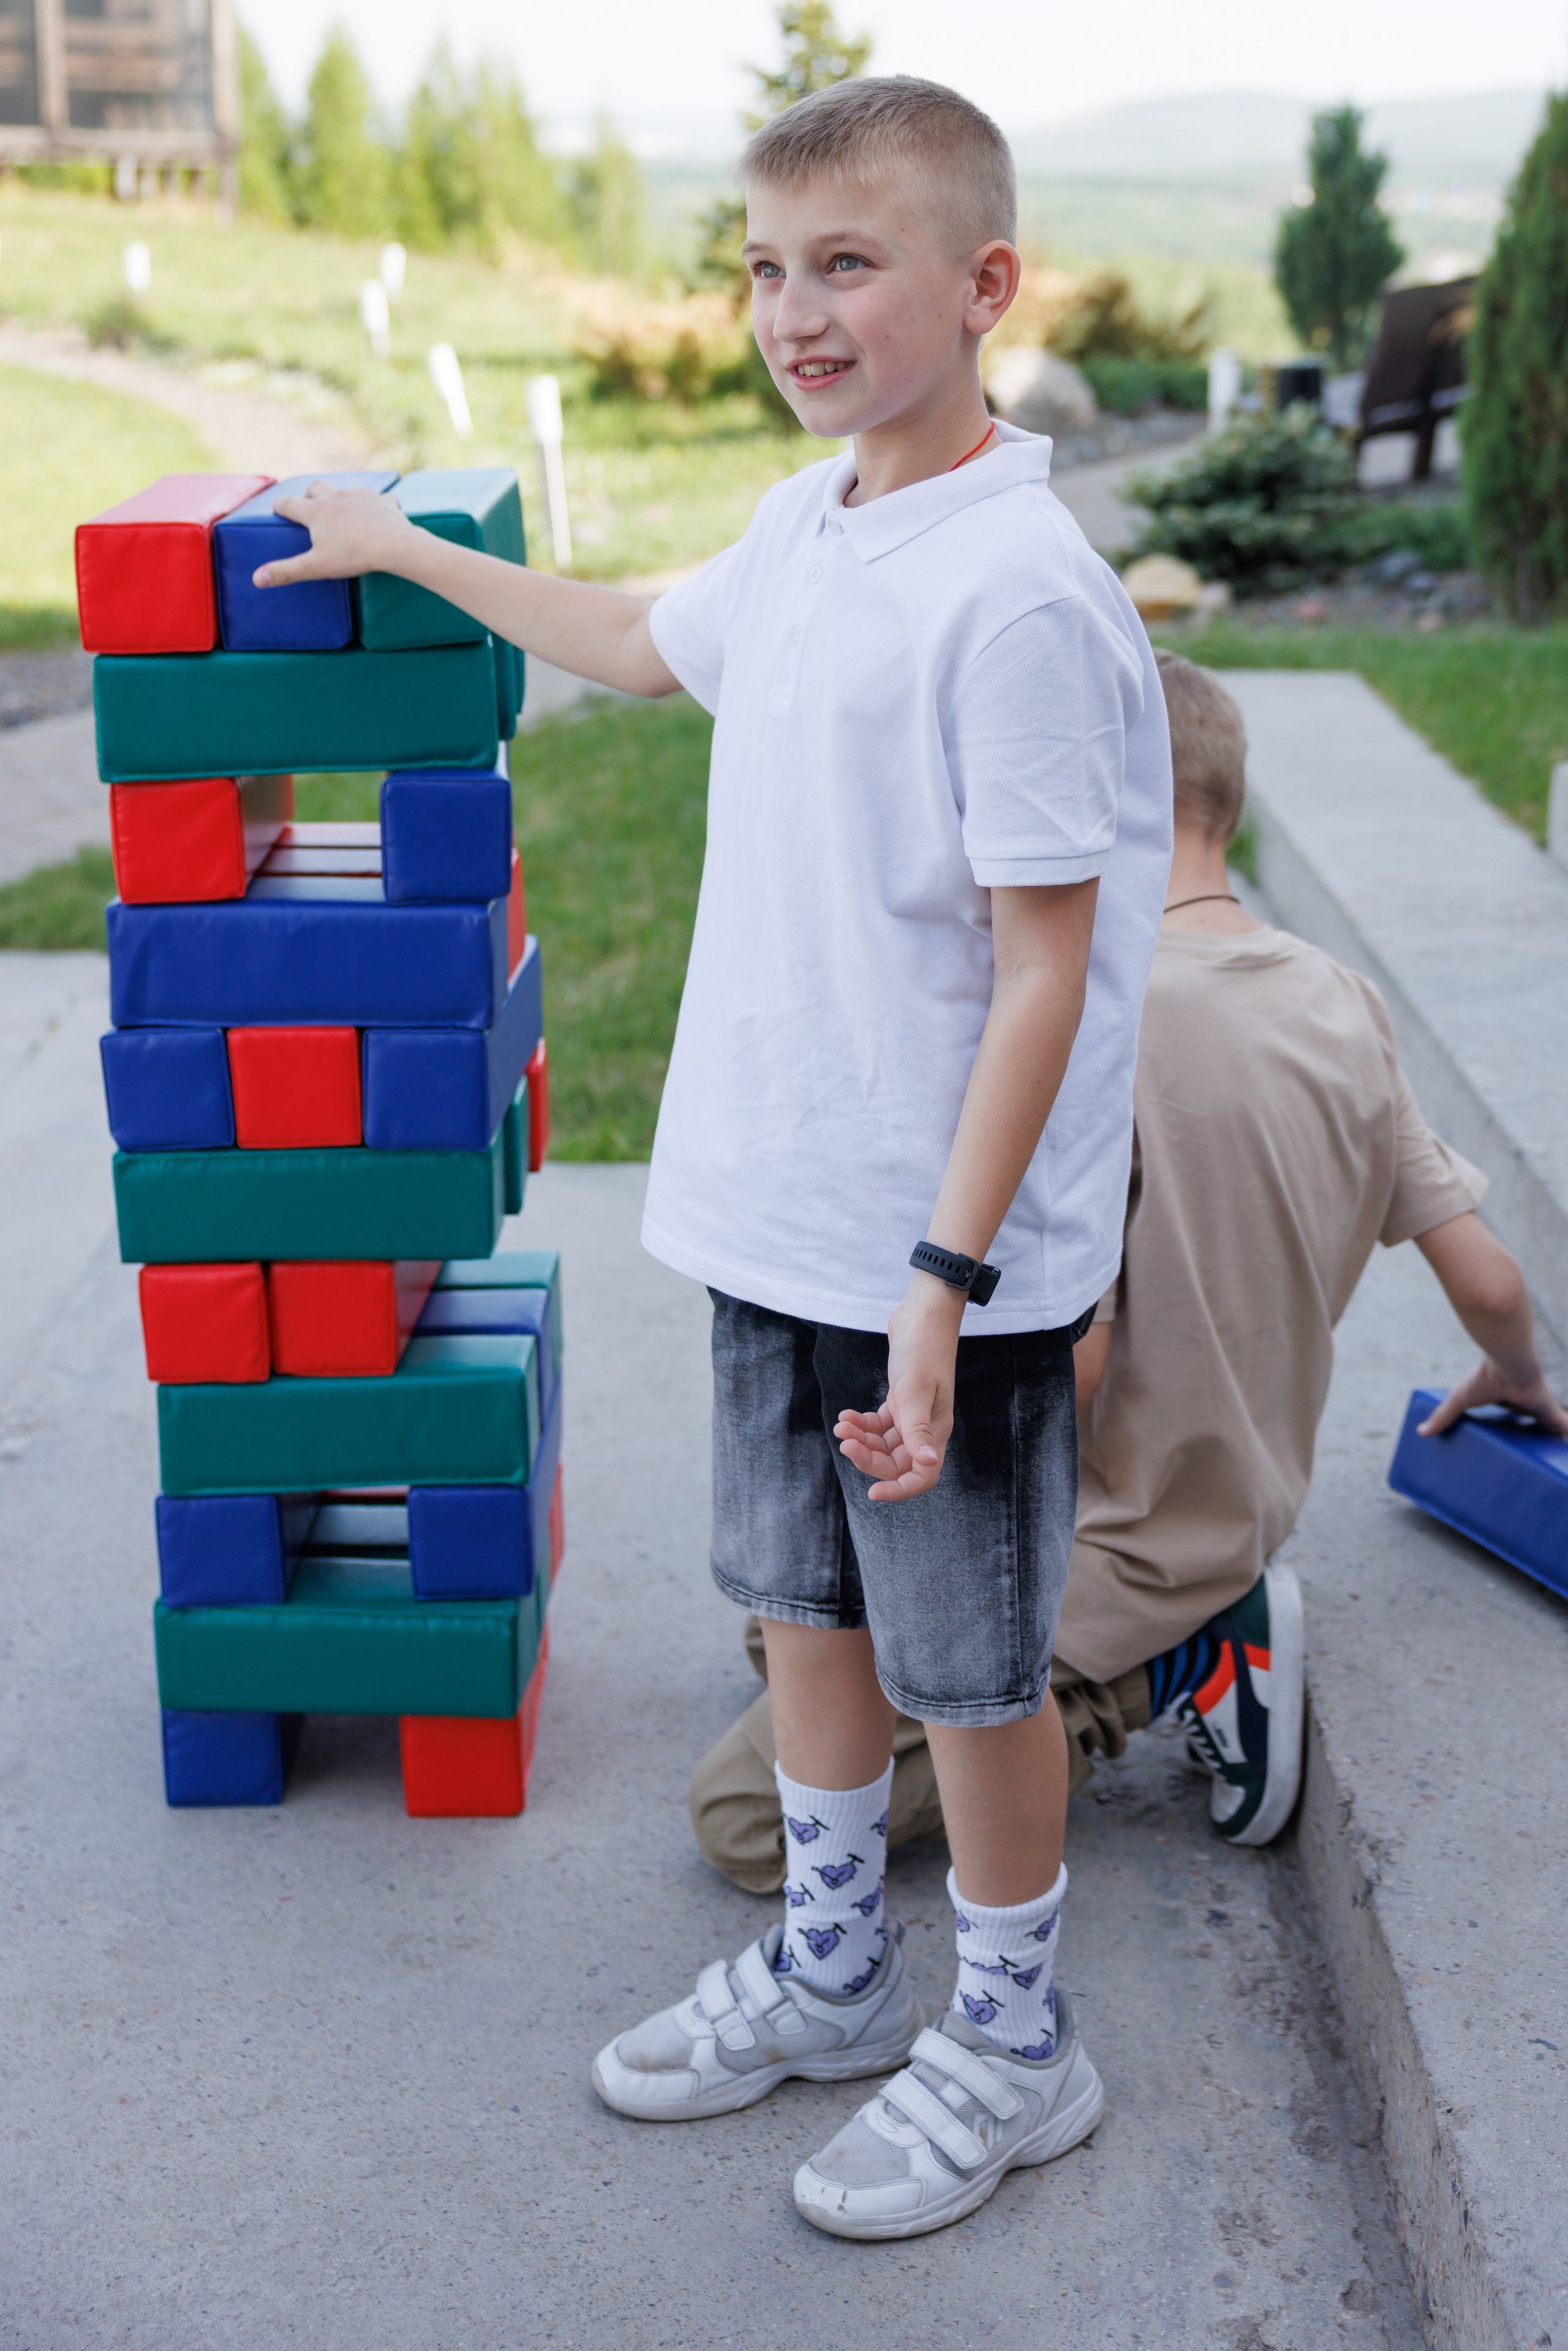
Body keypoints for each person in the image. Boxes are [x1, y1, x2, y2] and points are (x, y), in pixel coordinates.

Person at [255, 77, 1173, 2242]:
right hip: (777, 1211)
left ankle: (1021, 2041)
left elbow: (1044, 978)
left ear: (985, 283)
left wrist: (945, 1283)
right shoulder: (811, 525)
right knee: (801, 1617)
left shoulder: (1021, 591)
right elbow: (626, 631)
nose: (794, 309)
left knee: (972, 1666)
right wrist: (405, 549)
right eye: (766, 268)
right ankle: (843, 1968)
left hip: (944, 1262)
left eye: (846, 262)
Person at [688, 651, 1568, 1892]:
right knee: (788, 1629)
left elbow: (1074, 1364)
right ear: (1229, 804)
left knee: (742, 1812)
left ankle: (1163, 1669)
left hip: (1105, 1543)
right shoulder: (1338, 997)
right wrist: (1514, 1372)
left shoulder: (1079, 1036)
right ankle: (1155, 1624)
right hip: (1238, 1499)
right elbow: (1481, 1272)